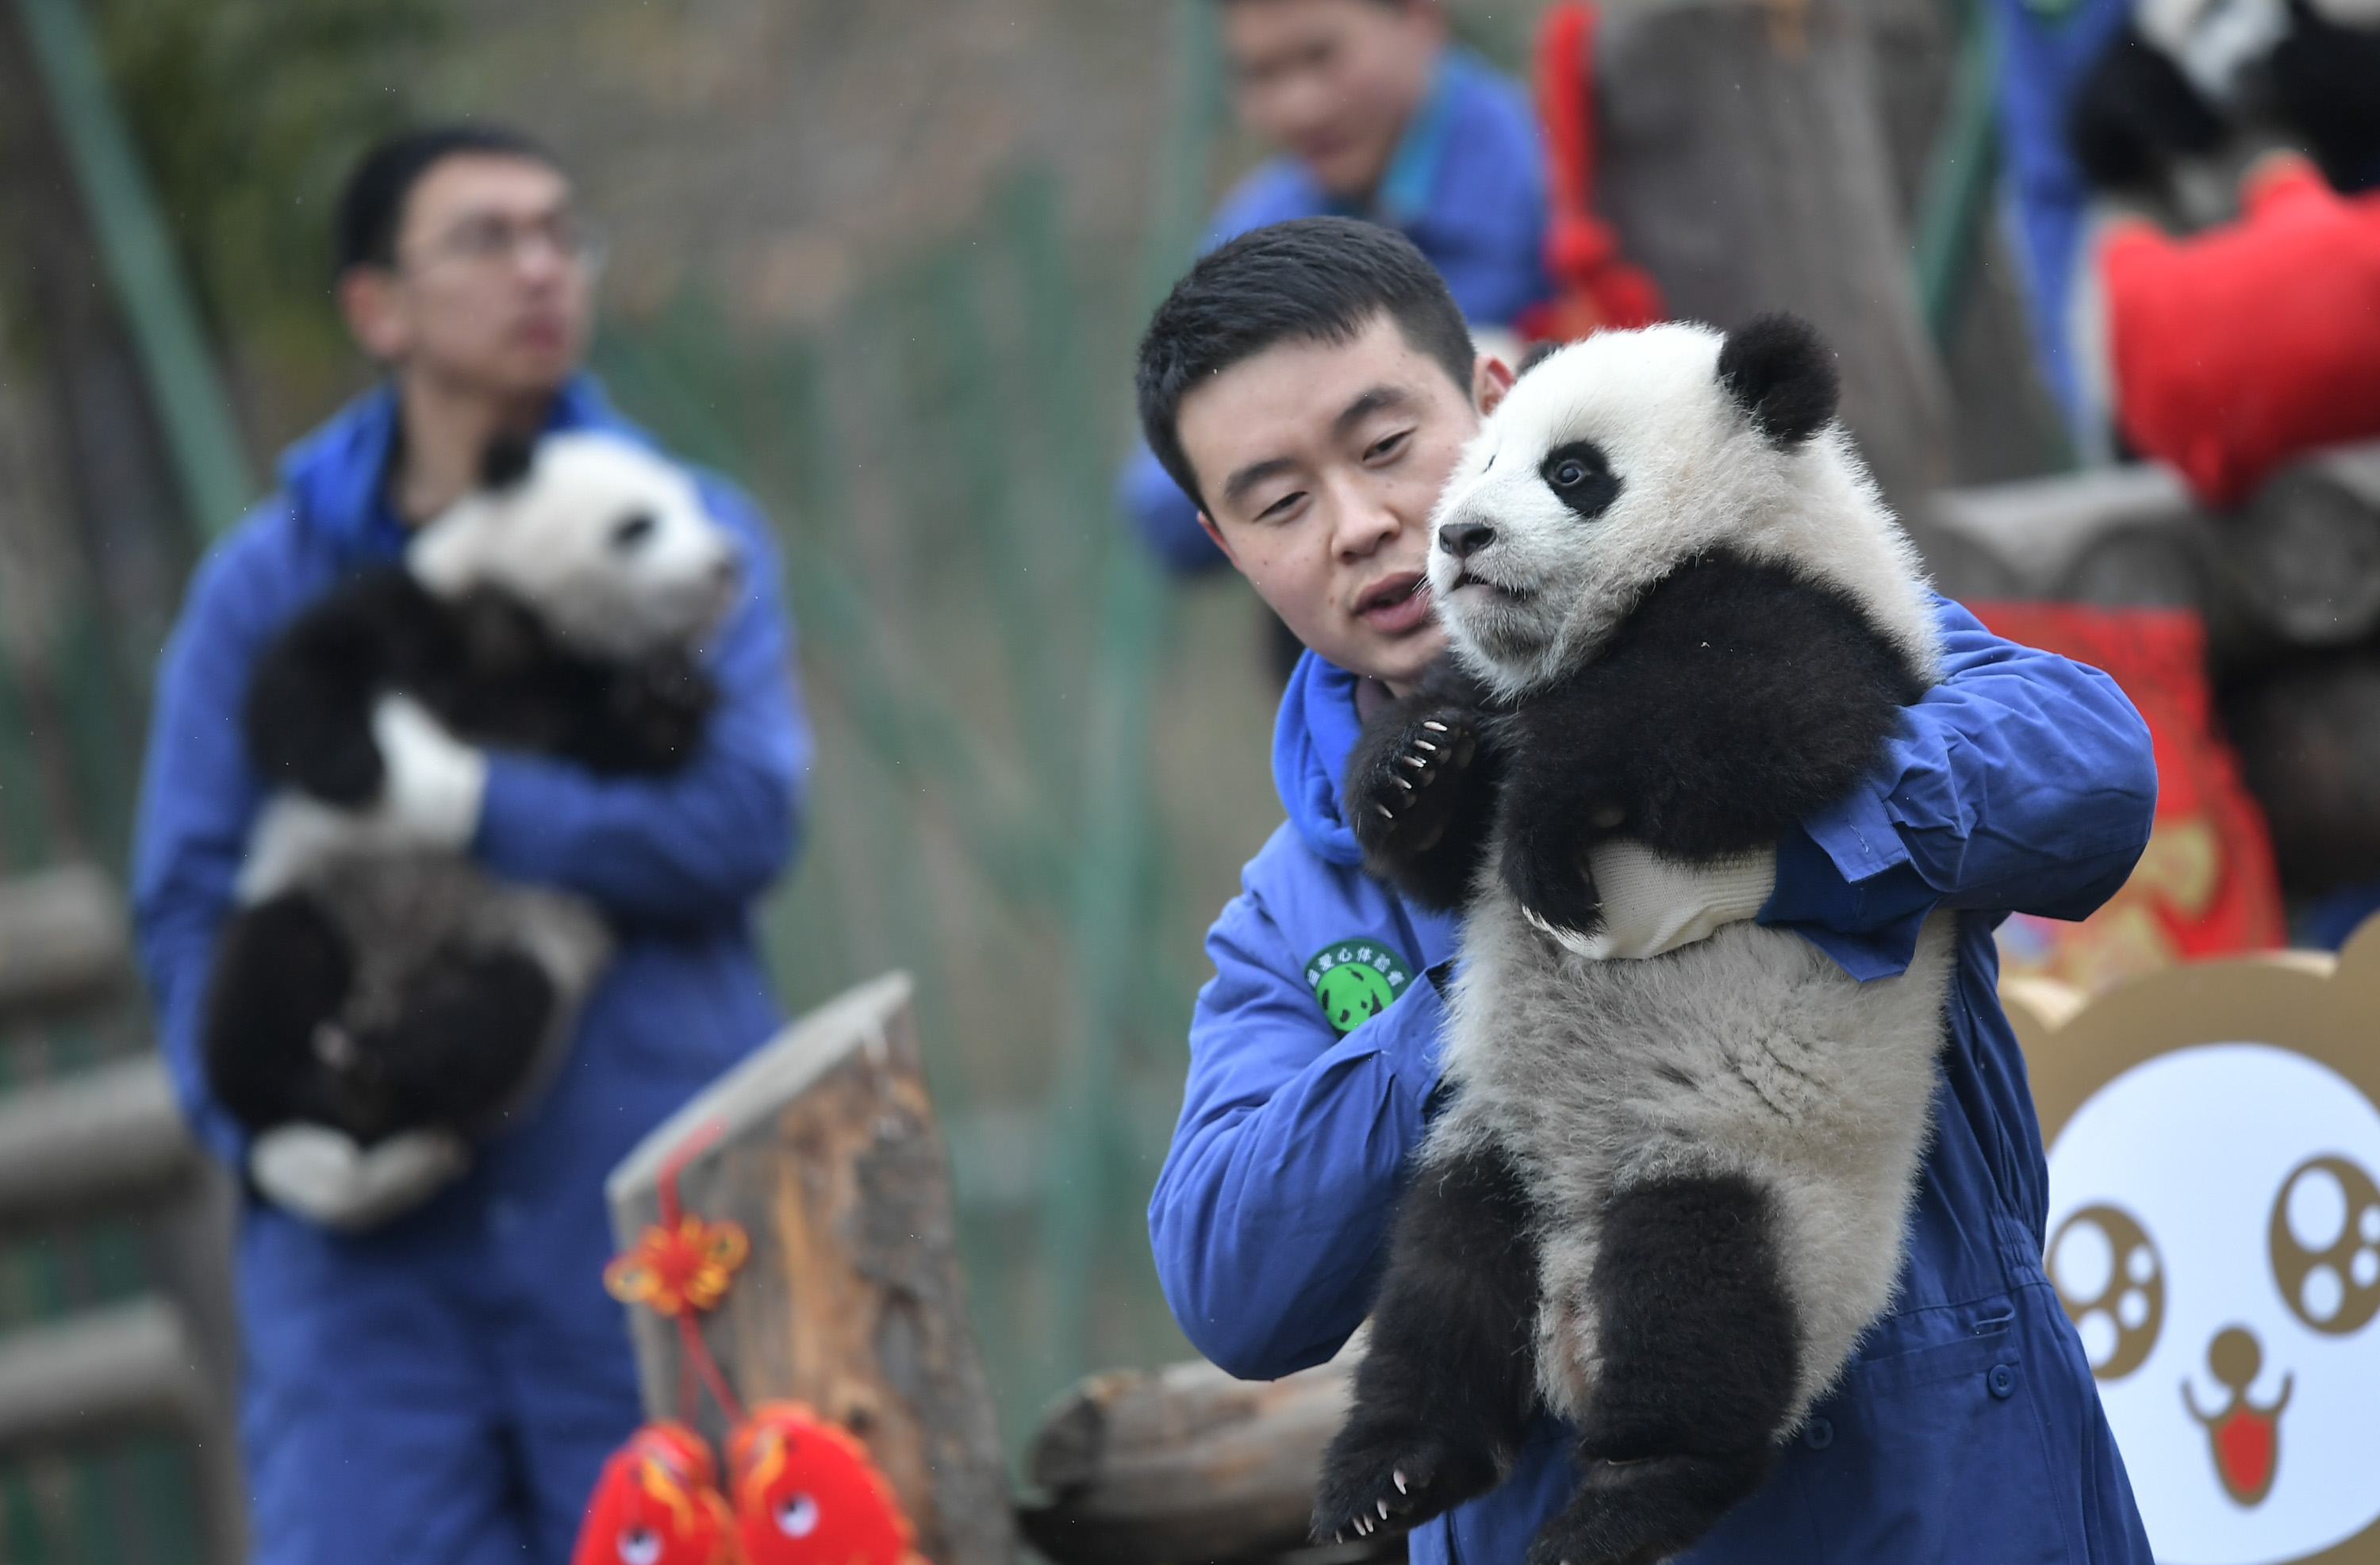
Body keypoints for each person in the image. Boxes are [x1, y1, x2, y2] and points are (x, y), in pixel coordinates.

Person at [1138, 217, 2158, 1563]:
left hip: (1942, 1495)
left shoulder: (1785, 602)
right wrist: (1496, 1002)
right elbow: (1230, 1275)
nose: (1364, 523)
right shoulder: (1291, 913)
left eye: (1389, 447)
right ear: (1222, 539)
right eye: (1278, 501)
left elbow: (2089, 770)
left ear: (1499, 401)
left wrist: (1776, 859)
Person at [130, 125, 810, 1563]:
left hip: (642, 1217)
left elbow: (743, 817)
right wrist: (266, 1128)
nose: (543, 268)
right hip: (364, 1278)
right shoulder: (266, 587)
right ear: (376, 306)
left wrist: (477, 806)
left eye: (564, 232)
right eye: (490, 238)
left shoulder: (674, 531)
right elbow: (190, 898)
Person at [1123, 0, 1553, 574]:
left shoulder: (1557, 182)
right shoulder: (1260, 224)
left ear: (1420, 20)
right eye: (1260, 74)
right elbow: (1163, 507)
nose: (1298, 105)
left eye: (1321, 55)